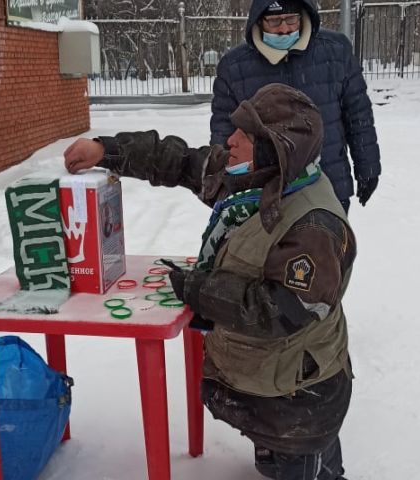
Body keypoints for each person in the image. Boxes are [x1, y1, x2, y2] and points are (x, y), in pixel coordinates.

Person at [64, 84, 355, 480]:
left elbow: (275, 311)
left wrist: (197, 289)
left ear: (276, 148)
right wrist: (106, 150)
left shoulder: (314, 226)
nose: (230, 141)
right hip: (270, 379)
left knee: (303, 467)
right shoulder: (259, 178)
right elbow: (181, 161)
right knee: (273, 459)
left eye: (246, 136)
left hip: (299, 397)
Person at [210, 0, 381, 213]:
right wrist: (222, 184)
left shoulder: (336, 52)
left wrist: (368, 167)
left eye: (291, 19)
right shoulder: (234, 67)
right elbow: (223, 131)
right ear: (259, 21)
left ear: (303, 14)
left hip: (328, 185)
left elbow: (357, 114)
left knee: (326, 245)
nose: (284, 28)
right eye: (274, 21)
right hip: (264, 196)